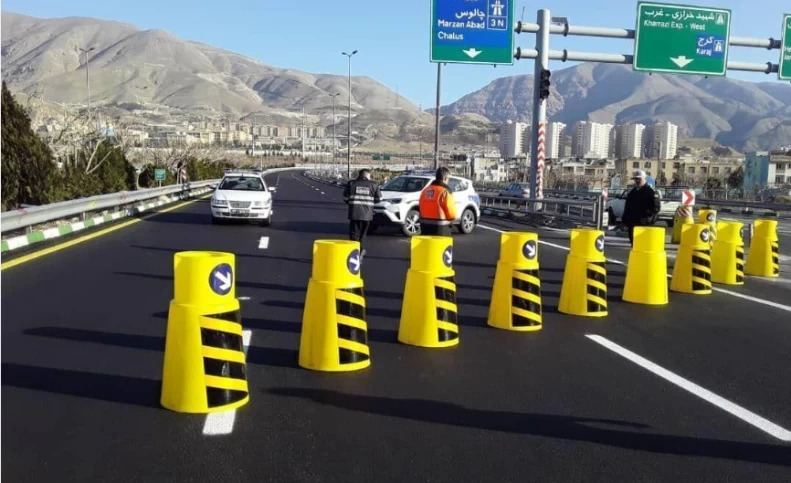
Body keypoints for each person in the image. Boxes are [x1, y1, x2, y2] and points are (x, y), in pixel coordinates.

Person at [343, 169, 381, 258]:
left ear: (359, 175)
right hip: (367, 215)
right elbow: (379, 199)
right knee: (363, 235)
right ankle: (360, 250)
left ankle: (353, 253)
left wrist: (351, 203)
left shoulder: (351, 183)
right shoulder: (374, 184)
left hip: (354, 213)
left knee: (354, 234)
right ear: (367, 175)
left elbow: (345, 197)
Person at [622, 170, 661, 246]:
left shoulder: (650, 192)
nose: (637, 181)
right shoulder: (632, 192)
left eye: (639, 179)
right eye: (635, 179)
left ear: (644, 178)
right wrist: (625, 219)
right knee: (634, 244)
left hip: (644, 224)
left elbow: (656, 208)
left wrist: (648, 217)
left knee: (642, 244)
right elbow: (627, 207)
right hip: (632, 223)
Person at [418, 167, 458, 236]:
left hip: (424, 226)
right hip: (441, 227)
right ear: (446, 178)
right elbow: (452, 214)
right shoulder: (445, 192)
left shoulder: (425, 191)